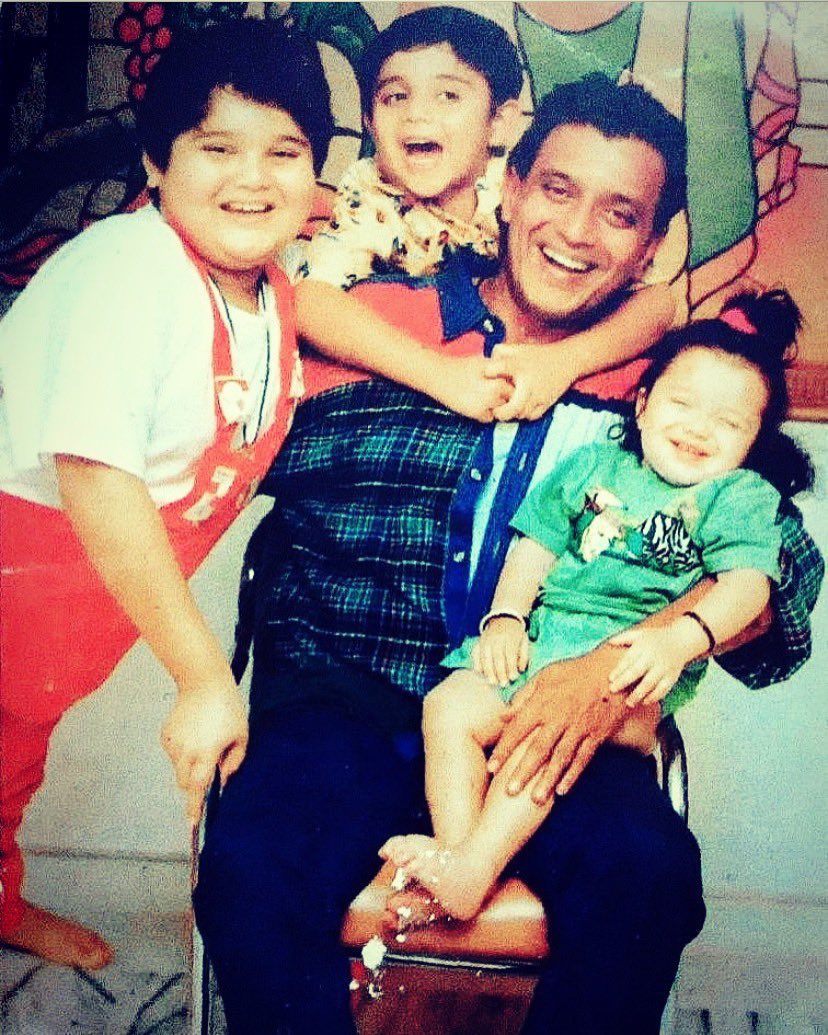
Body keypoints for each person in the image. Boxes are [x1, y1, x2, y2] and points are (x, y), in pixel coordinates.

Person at [193, 76, 822, 1035]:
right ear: (513, 188)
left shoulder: (667, 388)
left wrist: (609, 671)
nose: (577, 231)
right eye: (558, 190)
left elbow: (783, 596)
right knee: (253, 861)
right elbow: (211, 447)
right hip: (344, 702)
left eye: (621, 213)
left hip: (553, 719)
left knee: (644, 871)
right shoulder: (382, 324)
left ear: (650, 247)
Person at [0, 20, 334, 969]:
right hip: (14, 572)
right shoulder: (126, 274)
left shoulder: (266, 289)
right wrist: (201, 677)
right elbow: (98, 476)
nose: (253, 178)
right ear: (156, 159)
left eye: (285, 152)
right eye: (216, 147)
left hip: (59, 625)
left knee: (9, 764)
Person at [379, 289, 814, 923]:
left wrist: (681, 638)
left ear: (754, 442)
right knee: (449, 706)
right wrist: (505, 617)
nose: (698, 428)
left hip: (627, 669)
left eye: (729, 422)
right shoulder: (595, 466)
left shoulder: (738, 496)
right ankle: (459, 860)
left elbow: (748, 588)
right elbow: (535, 545)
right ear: (642, 405)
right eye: (683, 403)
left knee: (539, 739)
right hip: (544, 638)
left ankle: (472, 868)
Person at [295, 7, 678, 423]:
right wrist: (438, 374)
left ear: (499, 123)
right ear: (370, 123)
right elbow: (309, 301)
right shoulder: (370, 205)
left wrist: (565, 362)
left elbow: (659, 304)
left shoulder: (510, 186)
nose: (417, 115)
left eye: (448, 95)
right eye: (395, 97)